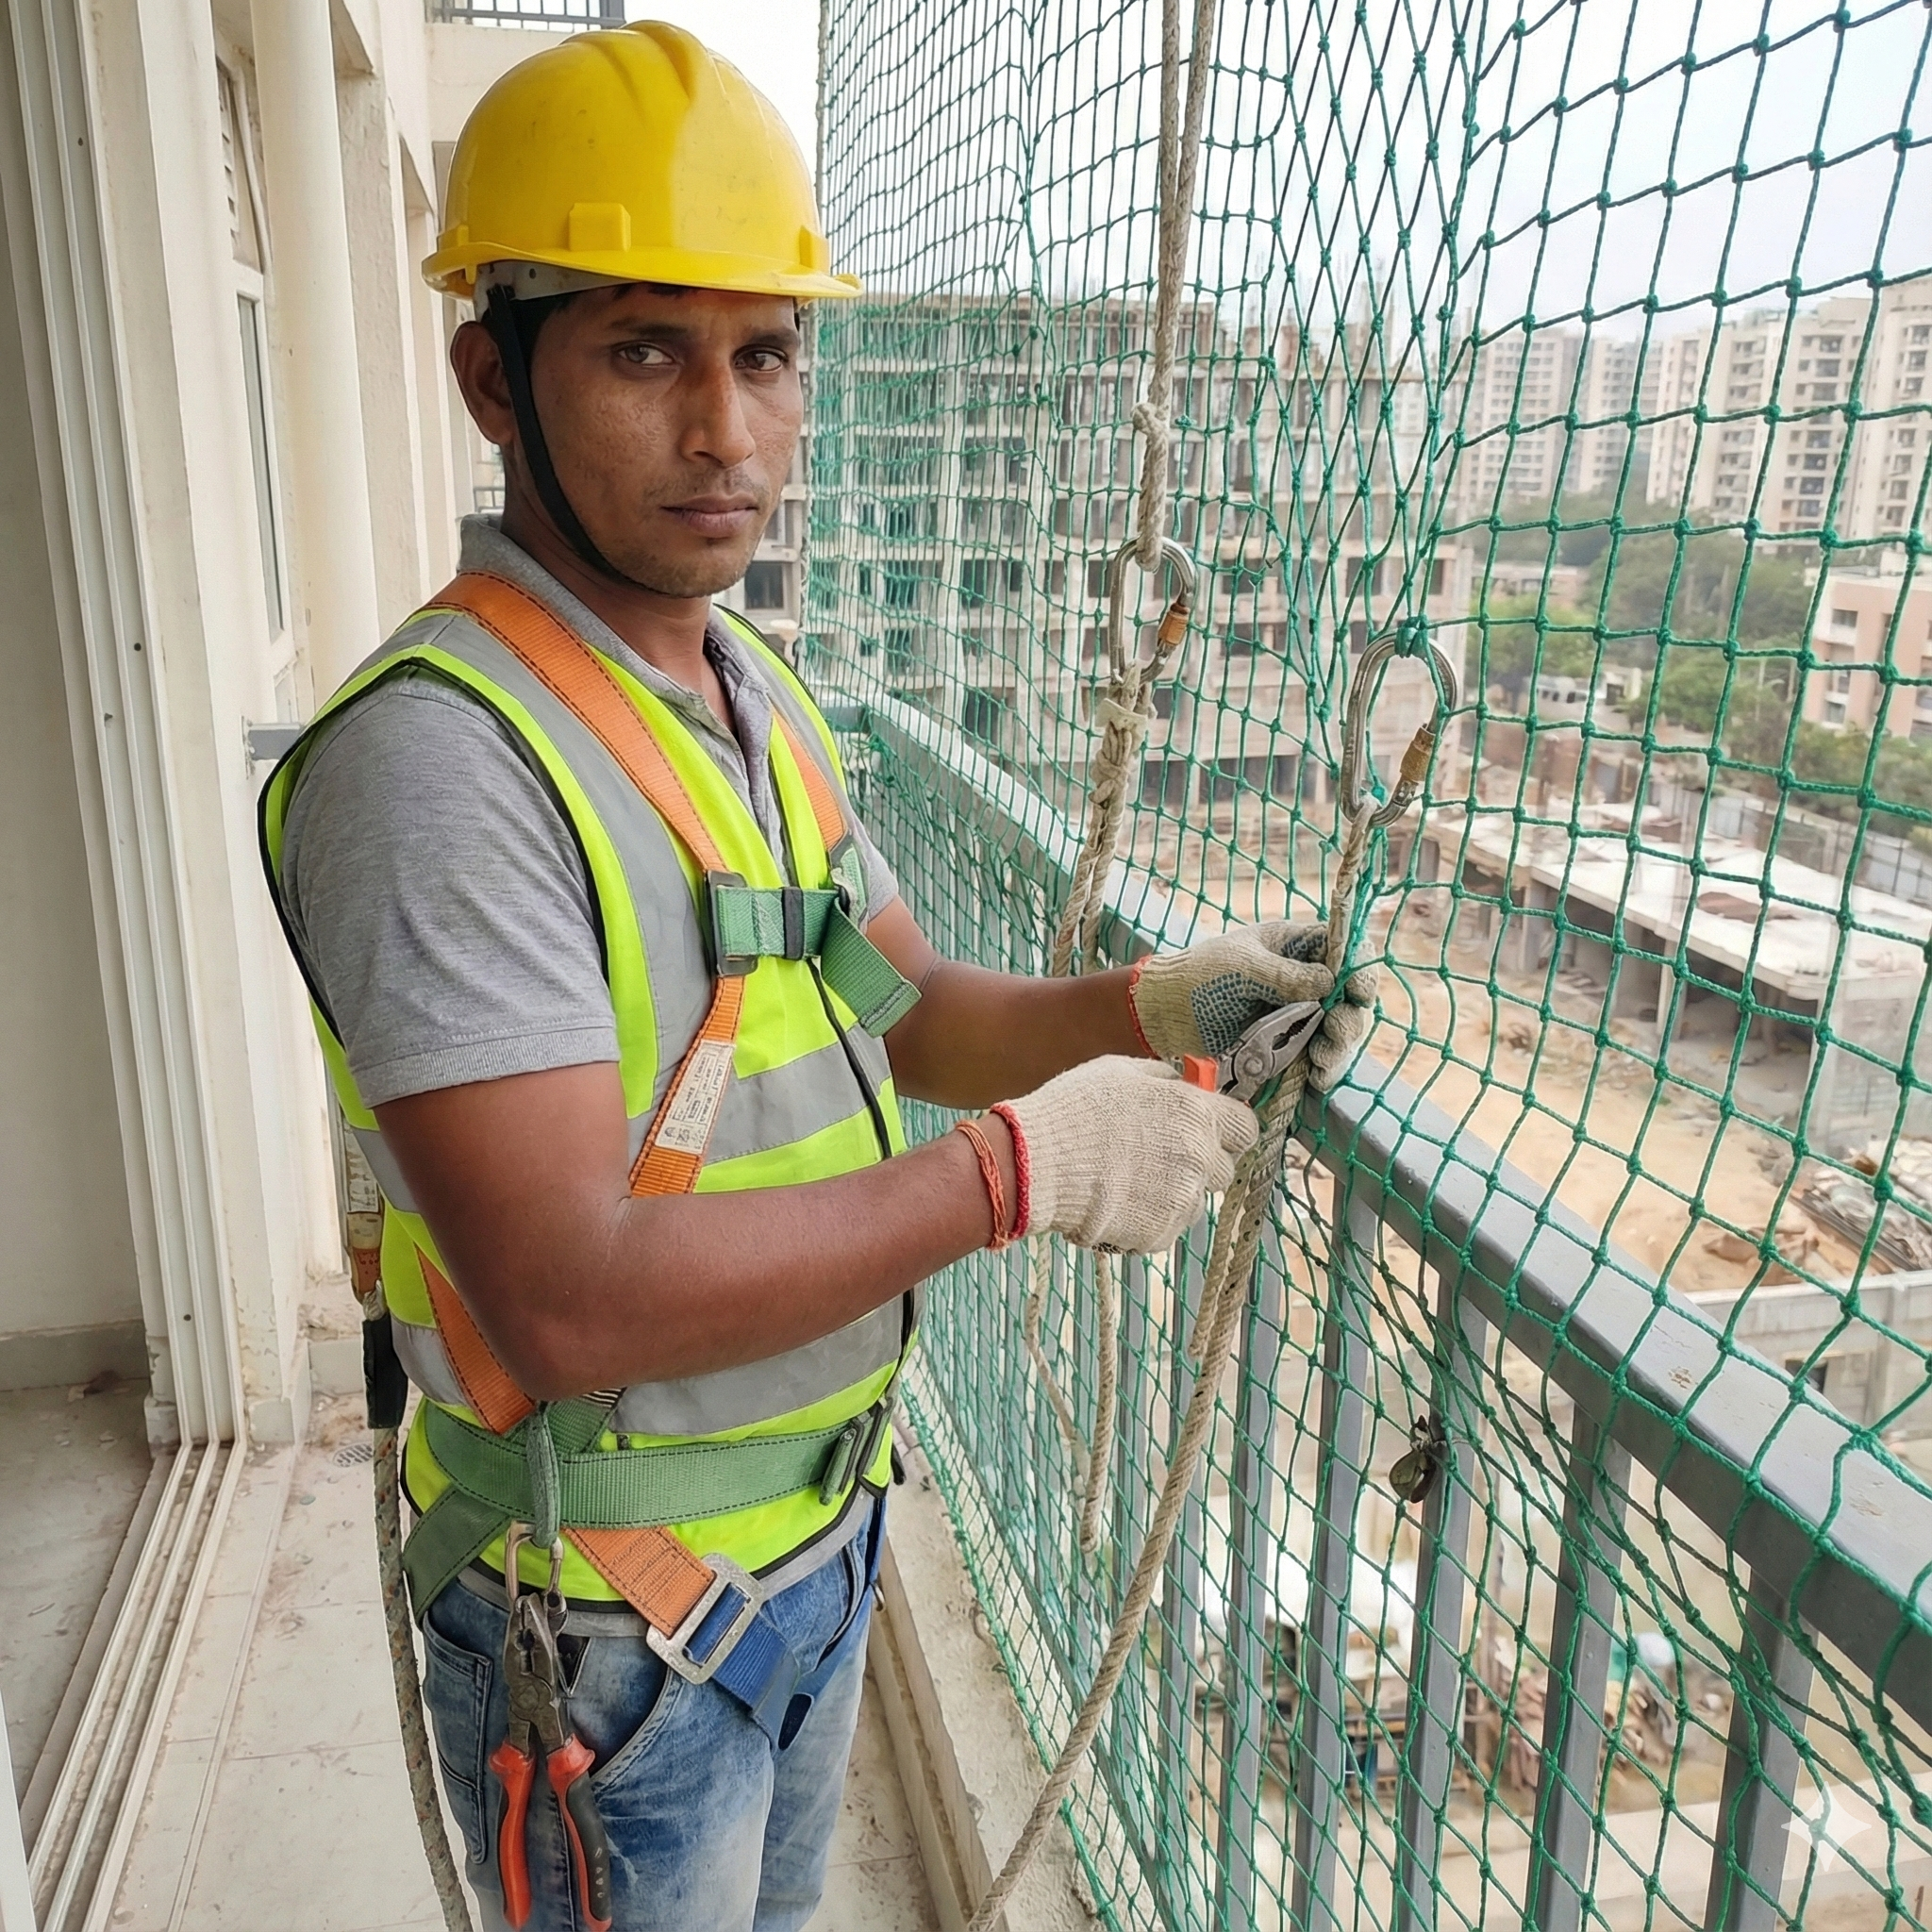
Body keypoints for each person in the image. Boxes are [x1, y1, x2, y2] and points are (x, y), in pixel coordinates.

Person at [259, 22, 1371, 1931]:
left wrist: (1148, 1009)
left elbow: (912, 1014)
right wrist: (1020, 1175)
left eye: (763, 354)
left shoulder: (744, 702)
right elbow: (567, 1297)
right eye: (639, 352)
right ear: (491, 379)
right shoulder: (439, 768)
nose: (726, 433)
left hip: (809, 1550)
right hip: (607, 1620)